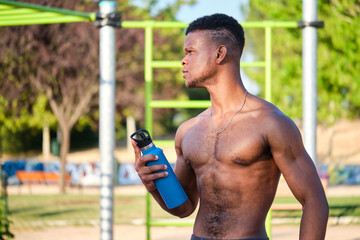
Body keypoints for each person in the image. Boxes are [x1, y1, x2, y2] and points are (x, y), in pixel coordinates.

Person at [132, 13, 329, 240]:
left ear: (220, 53)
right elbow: (184, 208)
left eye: (190, 52)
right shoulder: (187, 131)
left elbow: (314, 200)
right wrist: (153, 185)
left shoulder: (270, 123)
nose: (183, 61)